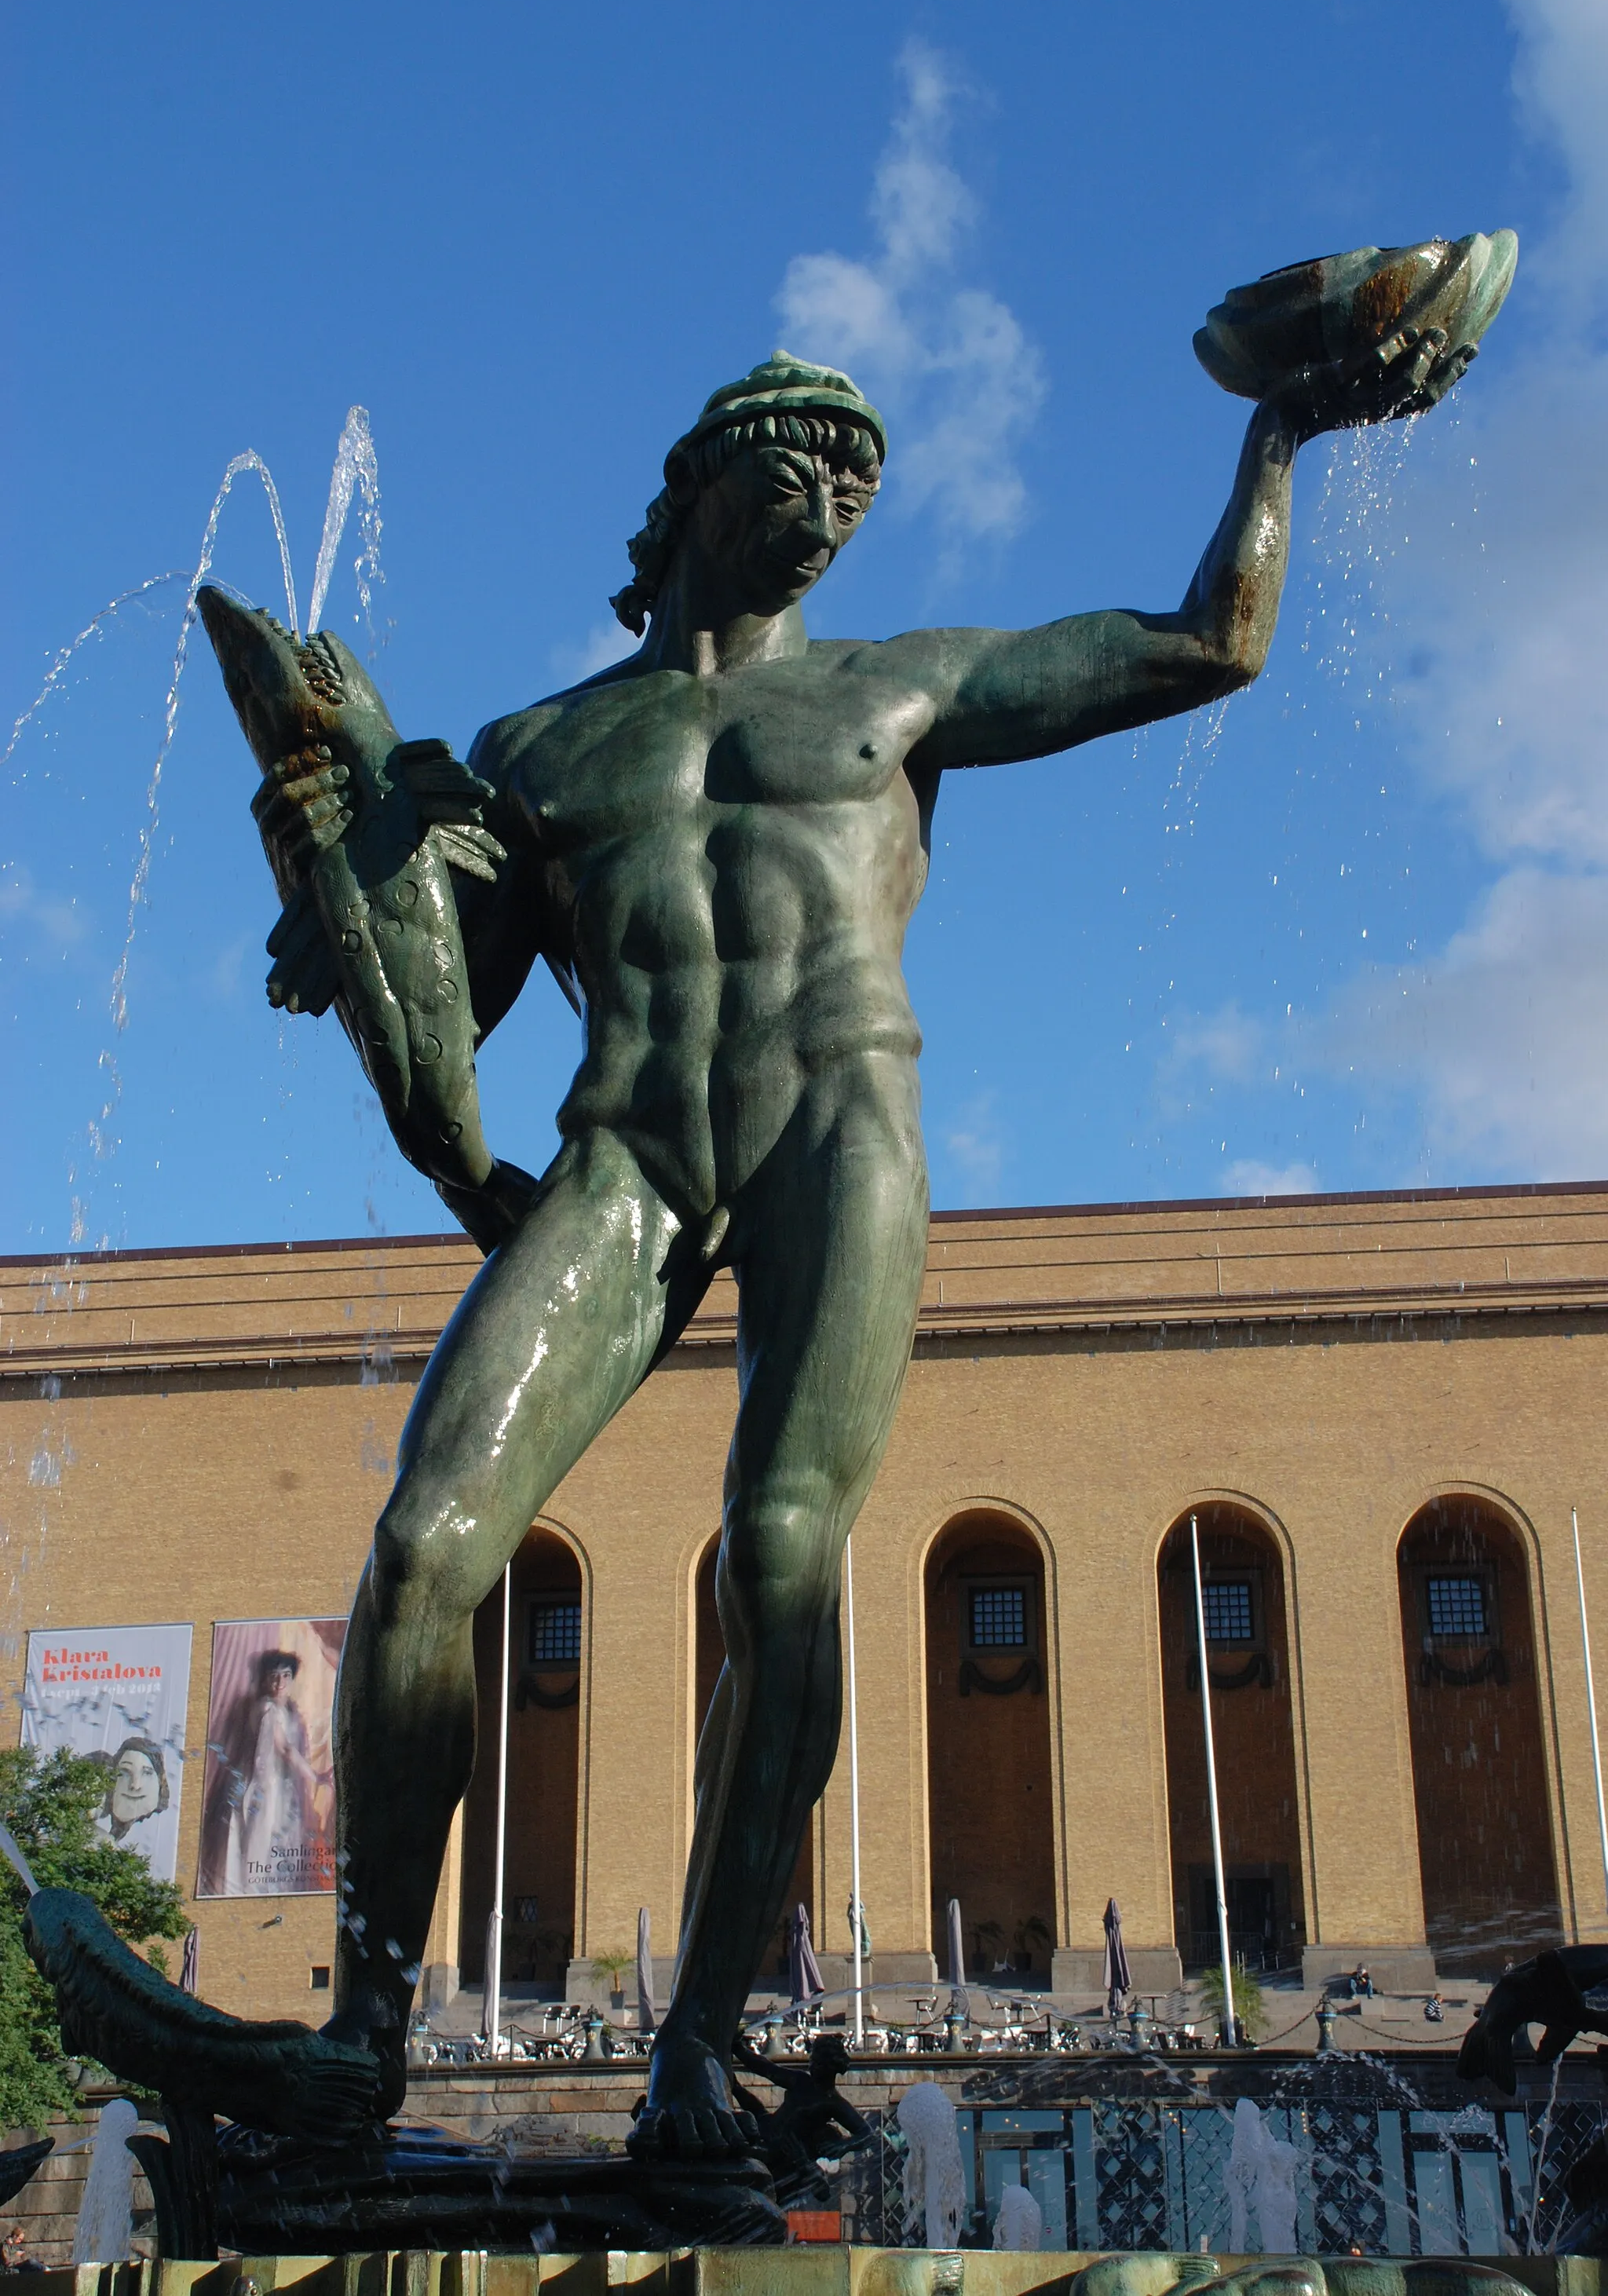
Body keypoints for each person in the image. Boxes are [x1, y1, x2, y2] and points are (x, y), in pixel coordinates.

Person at [247, 334, 1467, 2156]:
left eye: (860, 479)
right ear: (694, 485)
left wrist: (1277, 432)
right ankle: (362, 2032)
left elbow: (1207, 640)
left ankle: (692, 2052)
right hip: (630, 1153)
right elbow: (438, 1027)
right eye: (800, 461)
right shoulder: (538, 747)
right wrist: (344, 849)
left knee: (786, 1547)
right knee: (427, 1541)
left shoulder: (901, 689)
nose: (833, 501)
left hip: (839, 1123)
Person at [199, 1651, 327, 1896]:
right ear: (265, 1680)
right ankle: (251, 1892)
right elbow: (285, 1749)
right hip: (263, 1786)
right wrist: (316, 1777)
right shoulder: (268, 1708)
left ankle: (262, 1891)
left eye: (286, 1676)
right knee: (260, 1838)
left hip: (275, 1785)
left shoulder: (286, 1710)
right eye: (274, 1677)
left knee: (271, 1840)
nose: (280, 1683)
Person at [93, 1736, 170, 1863]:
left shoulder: (159, 1831)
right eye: (125, 1772)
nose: (135, 1785)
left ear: (159, 1781)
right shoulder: (97, 1830)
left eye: (146, 1773)